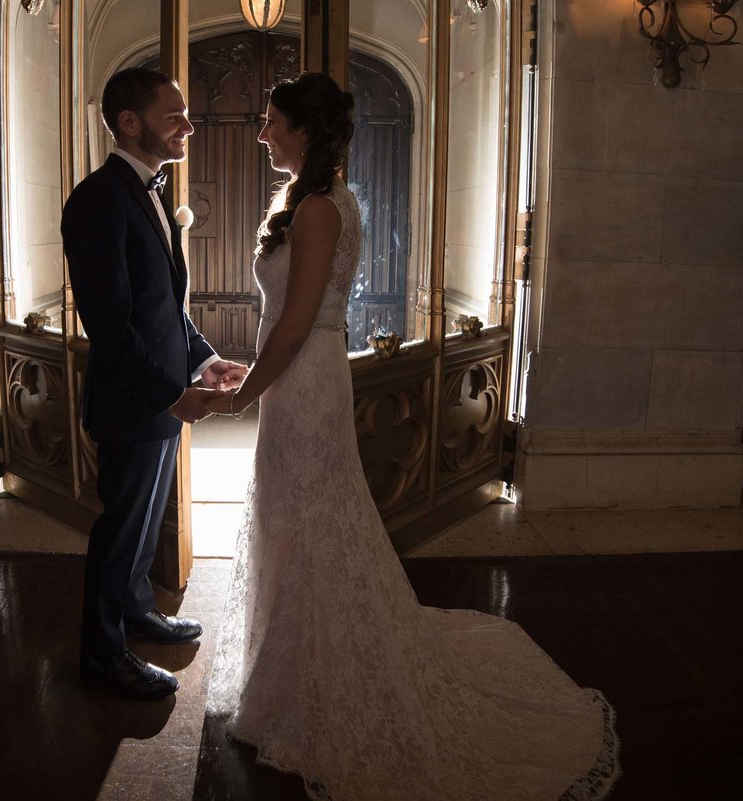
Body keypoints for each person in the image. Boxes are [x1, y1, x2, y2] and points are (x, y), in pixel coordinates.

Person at [204, 72, 620, 799]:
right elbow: (296, 319)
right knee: (297, 516)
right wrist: (252, 366)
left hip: (305, 384)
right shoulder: (329, 200)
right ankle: (294, 658)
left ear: (303, 130)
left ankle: (313, 675)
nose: (263, 131)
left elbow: (300, 322)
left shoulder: (318, 212)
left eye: (271, 121)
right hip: (304, 375)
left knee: (307, 515)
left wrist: (243, 392)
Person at [62, 68, 248, 700]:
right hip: (132, 402)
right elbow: (112, 326)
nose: (188, 127)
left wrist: (203, 361)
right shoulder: (98, 199)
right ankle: (102, 654)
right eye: (174, 116)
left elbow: (166, 307)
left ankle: (138, 610)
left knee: (144, 527)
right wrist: (170, 394)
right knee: (120, 530)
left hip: (164, 396)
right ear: (129, 123)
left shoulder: (152, 192)